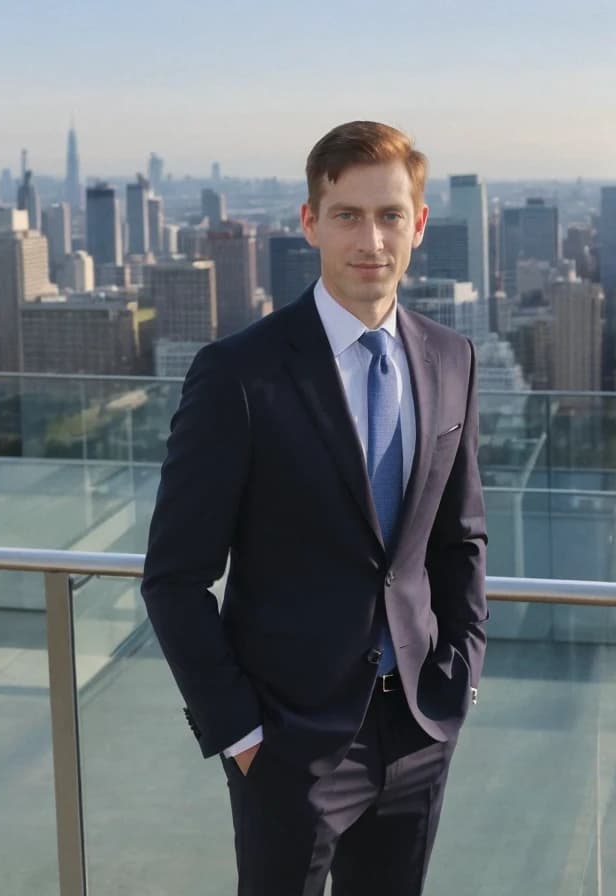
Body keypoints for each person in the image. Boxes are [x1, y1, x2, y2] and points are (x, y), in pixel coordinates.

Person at [140, 120, 487, 896]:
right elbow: (174, 579)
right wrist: (241, 732)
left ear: (420, 224)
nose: (371, 238)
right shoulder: (238, 374)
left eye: (391, 215)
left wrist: (460, 674)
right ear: (310, 223)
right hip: (288, 744)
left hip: (420, 730)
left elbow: (459, 538)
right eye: (347, 215)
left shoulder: (450, 359)